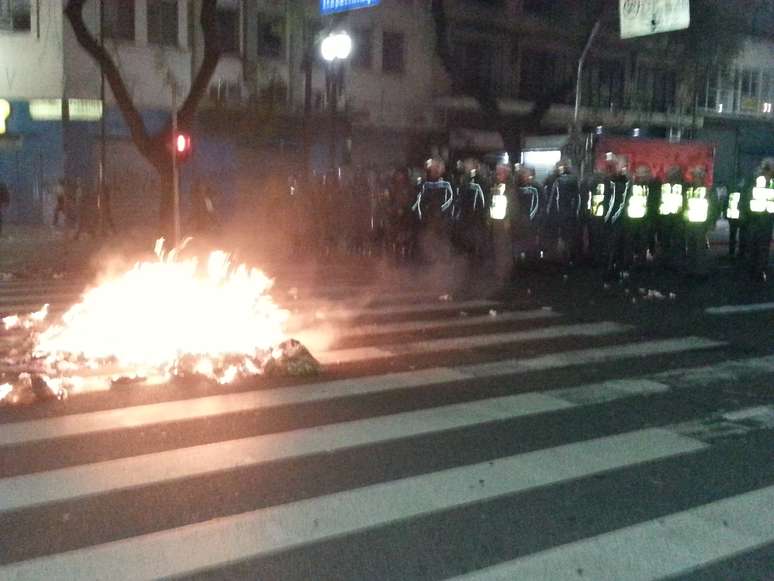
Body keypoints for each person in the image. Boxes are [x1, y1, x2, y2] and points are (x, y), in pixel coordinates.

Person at [412, 157, 455, 262]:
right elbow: (419, 201)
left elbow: (451, 199)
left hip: (443, 221)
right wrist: (422, 214)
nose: (434, 170)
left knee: (443, 244)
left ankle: (444, 268)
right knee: (429, 244)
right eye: (432, 167)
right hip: (428, 221)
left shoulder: (447, 183)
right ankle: (431, 266)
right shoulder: (425, 184)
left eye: (437, 167)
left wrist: (440, 210)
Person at [544, 159, 581, 265]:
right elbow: (577, 197)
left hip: (555, 213)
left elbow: (548, 196)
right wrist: (575, 212)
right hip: (567, 213)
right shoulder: (573, 179)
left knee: (555, 237)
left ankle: (556, 259)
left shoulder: (551, 179)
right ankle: (567, 258)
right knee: (567, 237)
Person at [745, 158, 774, 283]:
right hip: (759, 219)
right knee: (758, 247)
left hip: (761, 219)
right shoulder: (758, 182)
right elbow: (747, 198)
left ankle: (756, 270)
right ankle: (756, 270)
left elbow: (747, 198)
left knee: (758, 247)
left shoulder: (756, 181)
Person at [683, 166, 713, 277]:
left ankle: (700, 270)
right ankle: (692, 269)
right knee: (691, 247)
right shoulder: (689, 190)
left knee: (700, 248)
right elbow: (685, 205)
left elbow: (712, 207)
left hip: (701, 224)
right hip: (690, 223)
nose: (695, 179)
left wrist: (710, 222)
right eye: (694, 177)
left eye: (698, 177)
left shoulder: (707, 191)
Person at [511, 164, 542, 268]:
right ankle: (518, 265)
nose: (525, 176)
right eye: (523, 173)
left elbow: (538, 205)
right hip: (518, 223)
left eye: (527, 173)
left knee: (530, 246)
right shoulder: (516, 187)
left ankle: (531, 266)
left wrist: (530, 219)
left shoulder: (536, 187)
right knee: (518, 245)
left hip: (530, 223)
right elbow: (512, 204)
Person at [605, 157, 630, 277]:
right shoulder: (614, 181)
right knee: (614, 245)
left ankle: (616, 268)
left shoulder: (624, 181)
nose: (622, 168)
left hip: (621, 218)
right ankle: (612, 269)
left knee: (619, 245)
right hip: (617, 218)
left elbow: (618, 200)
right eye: (621, 165)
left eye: (624, 165)